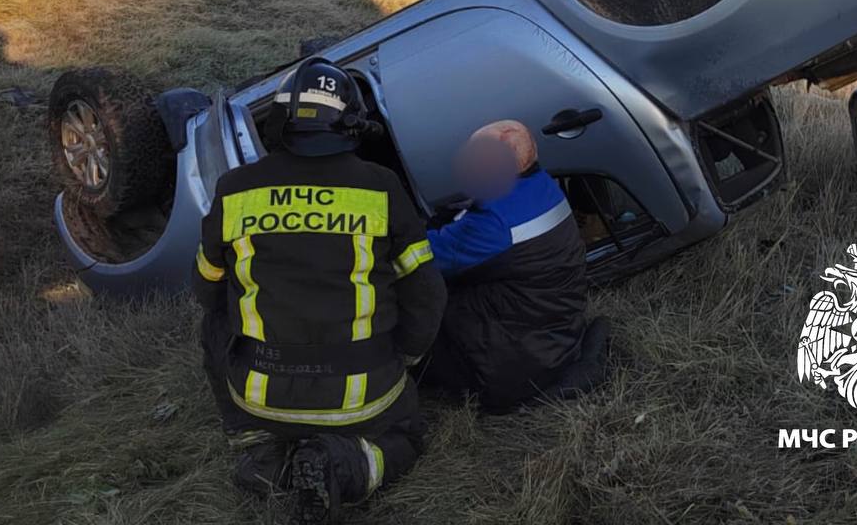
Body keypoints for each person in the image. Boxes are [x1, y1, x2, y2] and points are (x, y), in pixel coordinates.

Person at [192, 57, 446, 524]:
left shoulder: (235, 189)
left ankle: (258, 450)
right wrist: (405, 356)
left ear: (281, 120)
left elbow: (206, 290)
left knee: (213, 319)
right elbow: (427, 292)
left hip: (259, 393)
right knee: (406, 439)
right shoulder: (381, 187)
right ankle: (342, 465)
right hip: (363, 397)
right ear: (349, 124)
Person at [418, 120, 606, 411]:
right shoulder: (538, 184)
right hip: (551, 335)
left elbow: (423, 256)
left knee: (420, 312)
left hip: (515, 363)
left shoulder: (495, 226)